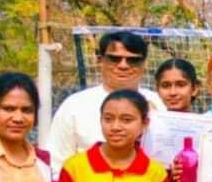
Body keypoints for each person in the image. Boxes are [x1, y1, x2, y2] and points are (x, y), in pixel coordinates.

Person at [44, 31, 166, 167]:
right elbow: (55, 162)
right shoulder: (75, 105)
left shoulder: (158, 103)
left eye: (133, 60)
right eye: (115, 59)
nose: (123, 65)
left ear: (144, 64)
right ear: (100, 60)